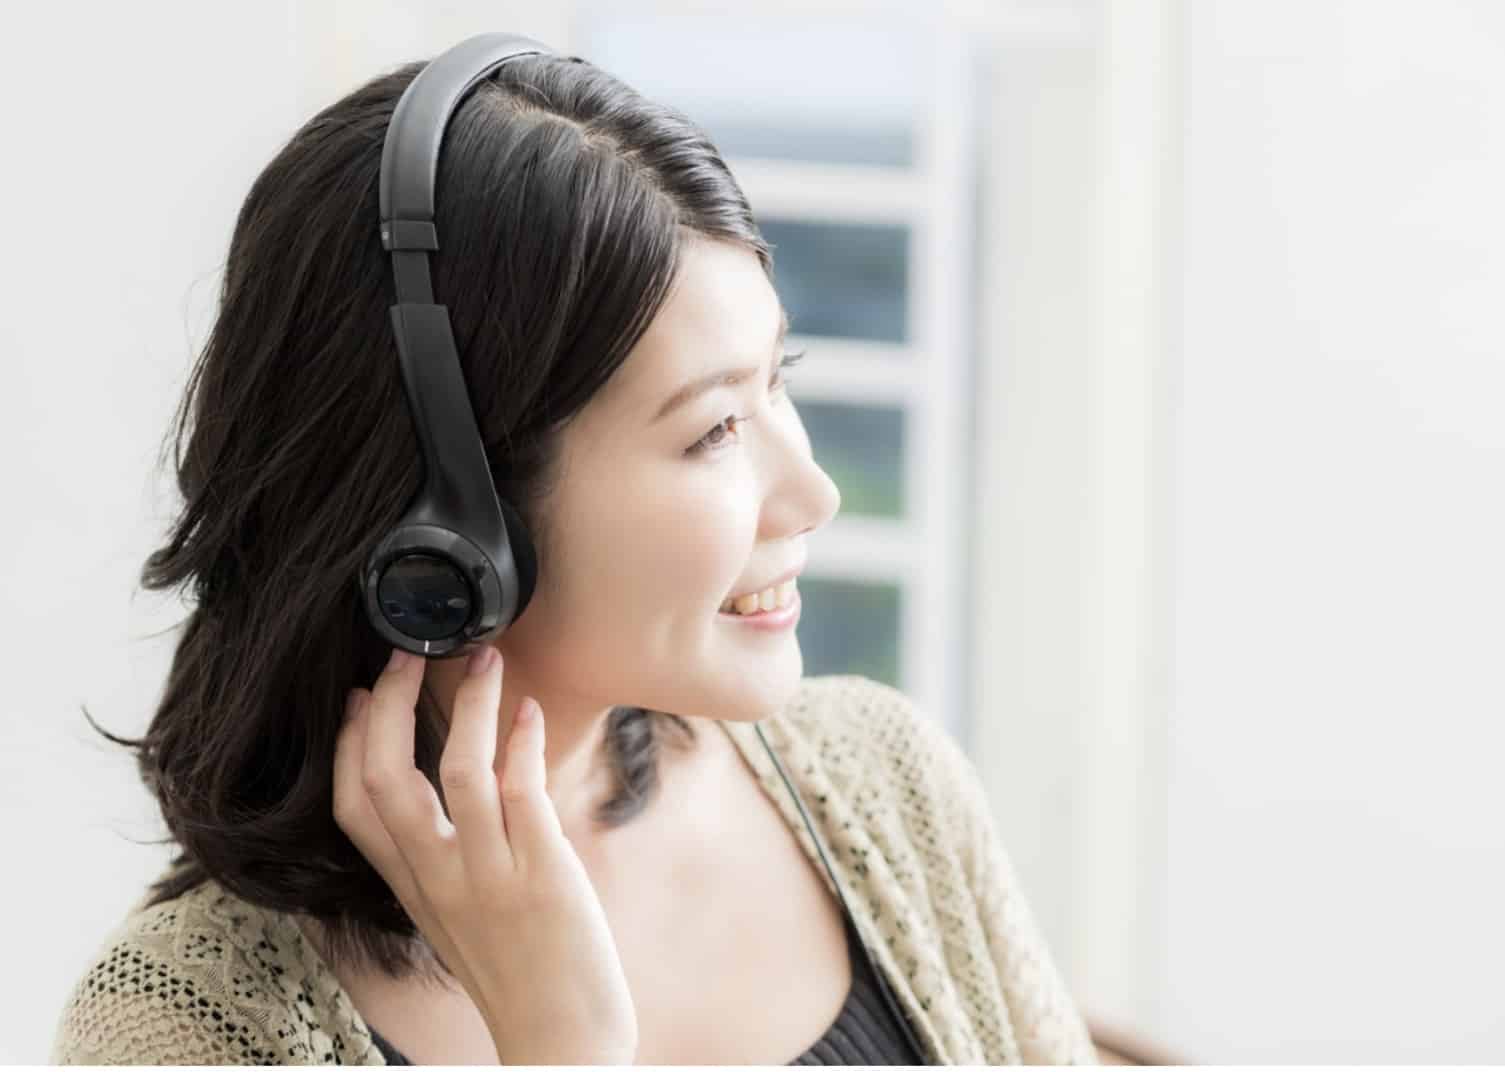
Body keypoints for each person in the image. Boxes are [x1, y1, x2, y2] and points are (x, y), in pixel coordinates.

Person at [49, 46, 1098, 1066]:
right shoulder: (181, 1030)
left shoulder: (887, 784)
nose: (812, 491)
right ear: (453, 518)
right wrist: (564, 1045)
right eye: (715, 430)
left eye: (779, 377)